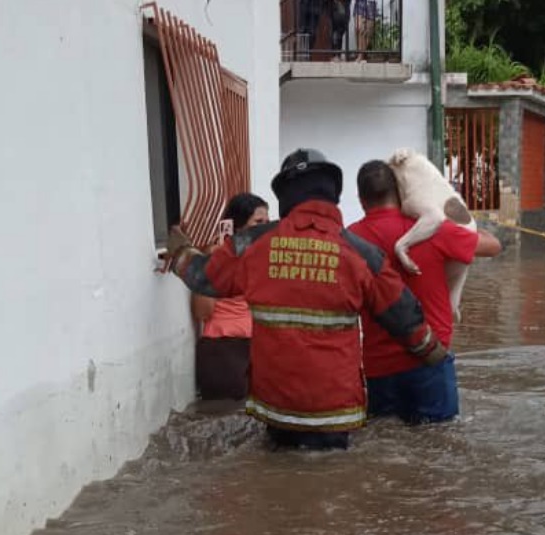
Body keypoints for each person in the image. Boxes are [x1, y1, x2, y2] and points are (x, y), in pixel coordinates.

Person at [167, 149, 449, 450]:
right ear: (332, 193)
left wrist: (179, 249)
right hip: (335, 410)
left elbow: (202, 276)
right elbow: (403, 315)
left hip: (276, 408)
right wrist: (433, 353)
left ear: (286, 196)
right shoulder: (360, 253)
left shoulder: (252, 244)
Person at [348, 160, 502, 423]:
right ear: (399, 193)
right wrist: (468, 223)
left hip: (378, 367)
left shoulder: (350, 240)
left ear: (361, 200)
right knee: (439, 443)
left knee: (386, 444)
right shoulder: (433, 230)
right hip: (430, 358)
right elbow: (493, 246)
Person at [191, 193, 269, 402]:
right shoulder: (218, 257)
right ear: (237, 226)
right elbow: (202, 312)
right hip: (224, 349)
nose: (264, 228)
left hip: (257, 345)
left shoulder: (262, 258)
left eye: (267, 223)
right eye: (258, 222)